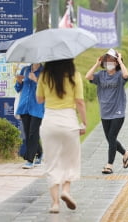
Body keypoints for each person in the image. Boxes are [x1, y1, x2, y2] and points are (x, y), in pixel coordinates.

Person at [36, 59, 86, 213]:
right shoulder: (74, 75)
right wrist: (84, 122)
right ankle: (66, 190)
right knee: (70, 160)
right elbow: (79, 102)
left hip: (50, 121)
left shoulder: (45, 76)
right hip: (69, 121)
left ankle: (55, 203)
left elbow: (39, 99)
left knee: (52, 162)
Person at [85, 48, 128, 174]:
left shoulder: (119, 75)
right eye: (107, 61)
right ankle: (126, 153)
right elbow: (88, 76)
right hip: (105, 112)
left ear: (116, 62)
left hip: (118, 112)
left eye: (112, 61)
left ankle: (109, 165)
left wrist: (120, 62)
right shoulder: (101, 75)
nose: (109, 63)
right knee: (110, 139)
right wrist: (96, 63)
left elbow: (126, 75)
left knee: (111, 137)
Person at [14, 63, 44, 169]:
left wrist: (36, 80)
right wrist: (19, 81)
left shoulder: (44, 71)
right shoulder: (25, 70)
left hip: (37, 107)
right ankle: (39, 153)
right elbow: (18, 89)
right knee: (28, 134)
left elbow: (47, 90)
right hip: (24, 107)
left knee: (33, 132)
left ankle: (30, 160)